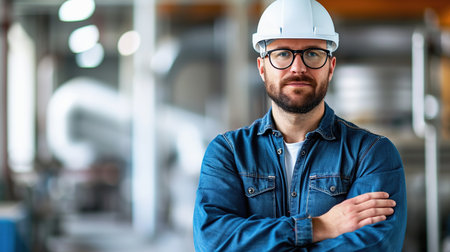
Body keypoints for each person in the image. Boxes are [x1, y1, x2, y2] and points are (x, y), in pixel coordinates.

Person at [193, 0, 407, 251]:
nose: (298, 68)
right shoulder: (228, 152)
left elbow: (375, 246)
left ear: (331, 67)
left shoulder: (372, 154)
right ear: (262, 68)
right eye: (282, 53)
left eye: (312, 53)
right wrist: (320, 227)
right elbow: (212, 242)